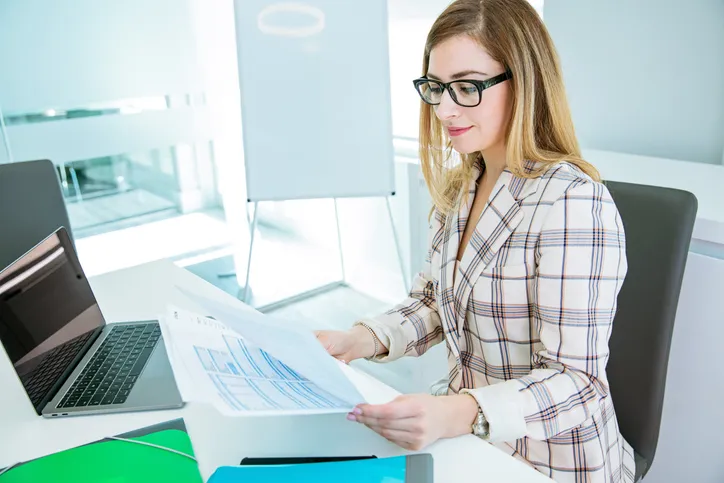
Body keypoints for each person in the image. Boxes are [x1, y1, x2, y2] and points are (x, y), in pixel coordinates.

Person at [315, 0, 635, 481]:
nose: (444, 109)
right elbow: (434, 301)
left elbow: (578, 382)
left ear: (524, 82)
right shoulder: (464, 182)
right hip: (472, 443)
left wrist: (459, 411)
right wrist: (358, 339)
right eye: (437, 88)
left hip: (550, 461)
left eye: (466, 87)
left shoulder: (571, 203)